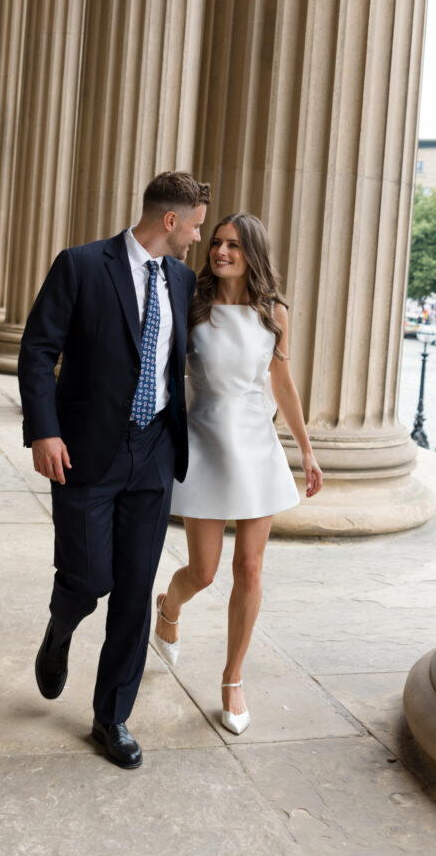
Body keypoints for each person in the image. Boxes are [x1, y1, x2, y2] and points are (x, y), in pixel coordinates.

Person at [18, 170, 210, 769]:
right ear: (171, 221)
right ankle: (60, 628)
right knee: (88, 577)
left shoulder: (181, 279)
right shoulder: (80, 265)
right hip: (85, 452)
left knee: (132, 590)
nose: (198, 241)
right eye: (196, 227)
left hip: (153, 453)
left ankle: (112, 717)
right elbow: (37, 349)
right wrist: (44, 430)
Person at [153, 212, 322, 735]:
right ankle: (168, 607)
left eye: (233, 245)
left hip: (257, 449)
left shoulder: (274, 311)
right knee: (203, 572)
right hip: (204, 445)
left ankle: (232, 678)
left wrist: (308, 451)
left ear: (253, 253)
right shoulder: (192, 302)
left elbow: (284, 383)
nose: (221, 252)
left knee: (249, 569)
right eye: (217, 243)